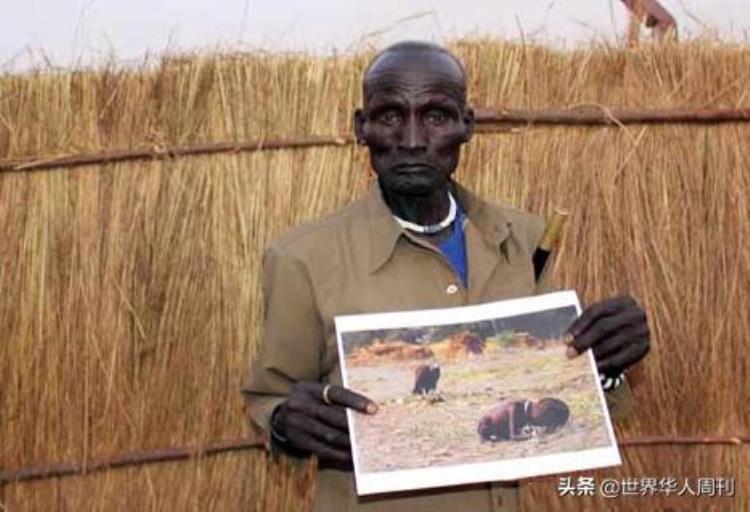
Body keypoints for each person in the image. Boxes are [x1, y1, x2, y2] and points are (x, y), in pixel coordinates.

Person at [243, 41, 650, 512]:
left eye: (436, 116)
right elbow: (268, 398)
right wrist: (283, 423)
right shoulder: (303, 259)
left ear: (466, 126)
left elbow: (557, 384)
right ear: (362, 128)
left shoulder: (524, 241)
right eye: (392, 115)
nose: (413, 139)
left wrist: (610, 367)